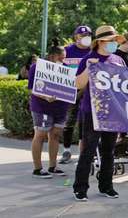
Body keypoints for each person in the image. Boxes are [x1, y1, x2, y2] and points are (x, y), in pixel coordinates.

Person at [73, 25, 126, 201]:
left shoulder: (118, 60)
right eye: (111, 41)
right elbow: (78, 84)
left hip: (113, 113)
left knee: (109, 152)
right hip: (92, 112)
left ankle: (106, 186)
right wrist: (89, 68)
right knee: (88, 151)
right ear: (100, 42)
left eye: (115, 41)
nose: (114, 44)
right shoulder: (88, 59)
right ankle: (80, 188)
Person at [28, 39, 69, 178]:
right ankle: (37, 169)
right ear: (52, 56)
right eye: (61, 57)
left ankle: (53, 166)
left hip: (61, 107)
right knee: (40, 134)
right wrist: (45, 97)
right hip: (42, 107)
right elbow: (32, 89)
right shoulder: (36, 67)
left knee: (55, 135)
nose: (63, 60)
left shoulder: (65, 68)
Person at [59, 25, 92, 164]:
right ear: (76, 37)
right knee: (69, 122)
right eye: (81, 36)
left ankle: (83, 153)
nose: (84, 39)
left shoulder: (93, 51)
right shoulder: (67, 50)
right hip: (71, 91)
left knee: (84, 123)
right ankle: (66, 150)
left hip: (89, 92)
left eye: (87, 36)